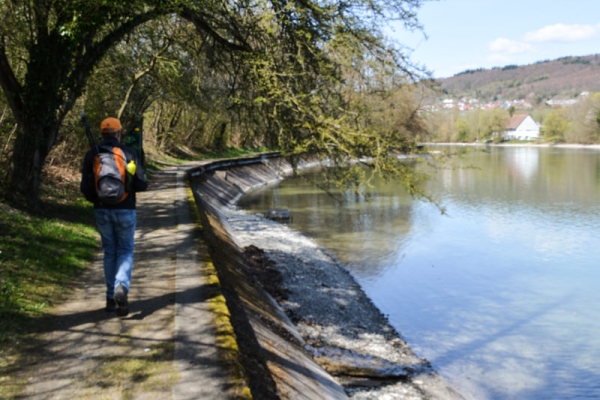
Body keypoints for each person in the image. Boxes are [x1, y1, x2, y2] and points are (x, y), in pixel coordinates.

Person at [80, 117, 148, 316]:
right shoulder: (128, 153)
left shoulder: (91, 154)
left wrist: (99, 199)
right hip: (126, 209)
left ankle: (111, 299)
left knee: (110, 251)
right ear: (118, 133)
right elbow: (142, 184)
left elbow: (85, 188)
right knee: (125, 250)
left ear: (102, 133)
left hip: (101, 210)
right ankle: (122, 287)